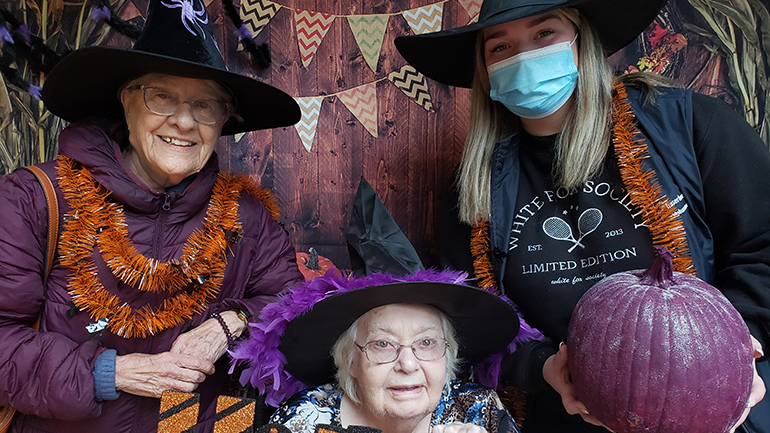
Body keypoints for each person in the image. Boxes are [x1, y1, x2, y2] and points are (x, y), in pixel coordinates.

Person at [394, 0, 769, 432]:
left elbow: (761, 247)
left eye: (543, 34)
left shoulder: (688, 125)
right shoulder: (474, 187)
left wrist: (738, 346)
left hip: (707, 404)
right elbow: (472, 320)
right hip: (562, 418)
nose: (523, 57)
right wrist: (538, 367)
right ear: (485, 70)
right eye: (499, 47)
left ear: (580, 40)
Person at [0, 0, 304, 431]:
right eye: (161, 96)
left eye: (205, 105)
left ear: (223, 122)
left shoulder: (247, 217)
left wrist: (229, 323)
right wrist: (111, 373)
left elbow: (296, 311)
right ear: (127, 103)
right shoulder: (33, 198)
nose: (183, 121)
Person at [230, 269, 522, 433]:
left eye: (426, 343)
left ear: (448, 354)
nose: (408, 364)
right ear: (351, 361)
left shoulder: (478, 409)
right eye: (382, 344)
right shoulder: (303, 420)